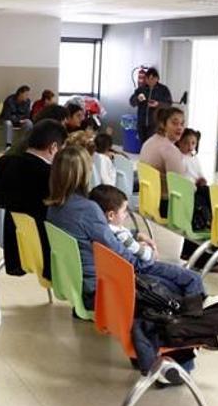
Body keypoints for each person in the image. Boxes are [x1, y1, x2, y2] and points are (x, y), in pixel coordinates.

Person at [46, 151, 202, 382]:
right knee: (189, 281)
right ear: (81, 175)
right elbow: (121, 257)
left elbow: (101, 236)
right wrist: (148, 259)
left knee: (175, 280)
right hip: (106, 288)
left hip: (84, 284)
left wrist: (132, 234)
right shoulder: (87, 209)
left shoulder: (55, 207)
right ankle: (181, 353)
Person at [0, 119, 67, 279]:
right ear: (54, 147)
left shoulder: (6, 162)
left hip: (14, 244)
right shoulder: (52, 177)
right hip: (46, 251)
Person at [139, 107, 218, 270]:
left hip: (149, 200)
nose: (179, 128)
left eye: (182, 124)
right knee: (211, 205)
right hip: (165, 206)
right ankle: (203, 256)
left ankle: (190, 251)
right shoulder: (170, 150)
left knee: (205, 195)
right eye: (174, 123)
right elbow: (182, 188)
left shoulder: (150, 142)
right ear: (163, 124)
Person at [130, 67, 172, 144]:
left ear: (157, 78)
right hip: (141, 123)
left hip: (155, 124)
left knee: (153, 145)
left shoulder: (163, 89)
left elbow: (169, 104)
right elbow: (132, 102)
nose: (150, 80)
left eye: (152, 78)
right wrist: (137, 99)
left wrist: (158, 104)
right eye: (147, 78)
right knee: (143, 146)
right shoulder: (141, 89)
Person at [0, 85, 33, 149]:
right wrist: (18, 120)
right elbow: (7, 115)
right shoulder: (9, 100)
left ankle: (22, 144)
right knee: (8, 123)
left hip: (20, 120)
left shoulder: (27, 101)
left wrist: (23, 120)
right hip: (9, 119)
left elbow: (27, 115)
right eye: (26, 94)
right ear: (20, 93)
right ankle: (8, 145)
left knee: (29, 123)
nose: (27, 96)